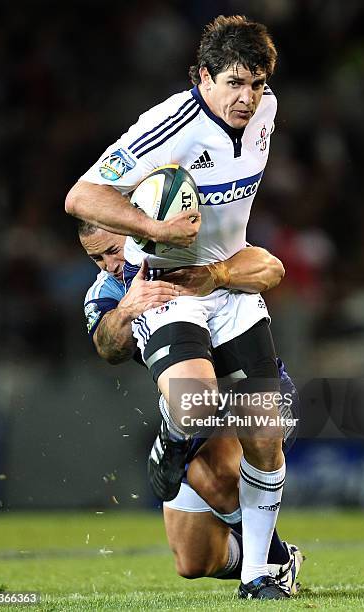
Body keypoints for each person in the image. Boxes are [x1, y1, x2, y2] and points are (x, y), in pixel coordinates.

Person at [67, 15, 288, 599]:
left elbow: (265, 263)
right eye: (235, 83)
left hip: (230, 290)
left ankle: (263, 574)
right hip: (170, 284)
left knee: (265, 435)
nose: (247, 98)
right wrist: (151, 226)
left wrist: (226, 267)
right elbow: (81, 195)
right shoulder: (169, 124)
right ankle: (172, 435)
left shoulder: (266, 112)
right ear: (204, 77)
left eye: (257, 84)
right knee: (195, 410)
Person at [79, 222, 303, 594]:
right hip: (196, 409)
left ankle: (268, 566)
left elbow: (272, 268)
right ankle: (273, 557)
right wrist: (127, 310)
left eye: (113, 250)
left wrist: (218, 275)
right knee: (194, 561)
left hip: (253, 394)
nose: (108, 264)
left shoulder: (198, 252)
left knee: (207, 473)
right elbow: (107, 347)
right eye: (96, 257)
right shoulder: (107, 291)